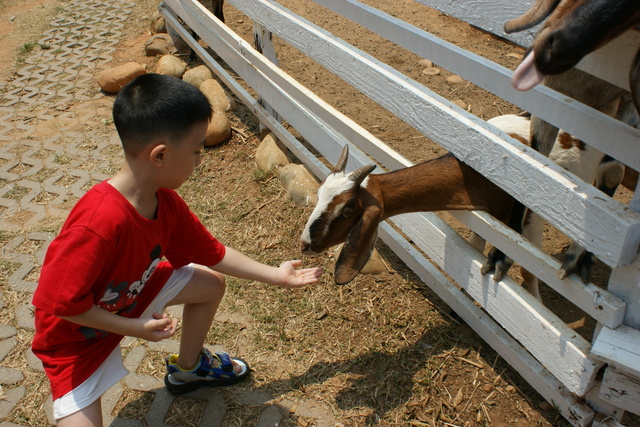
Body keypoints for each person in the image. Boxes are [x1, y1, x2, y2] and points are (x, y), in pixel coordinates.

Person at [31, 73, 324, 426]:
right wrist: (135, 327)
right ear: (160, 155)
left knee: (209, 283)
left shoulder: (165, 203)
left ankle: (189, 370)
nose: (200, 161)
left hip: (127, 300)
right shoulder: (98, 222)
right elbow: (61, 306)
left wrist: (276, 275)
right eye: (197, 151)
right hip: (76, 339)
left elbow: (213, 253)